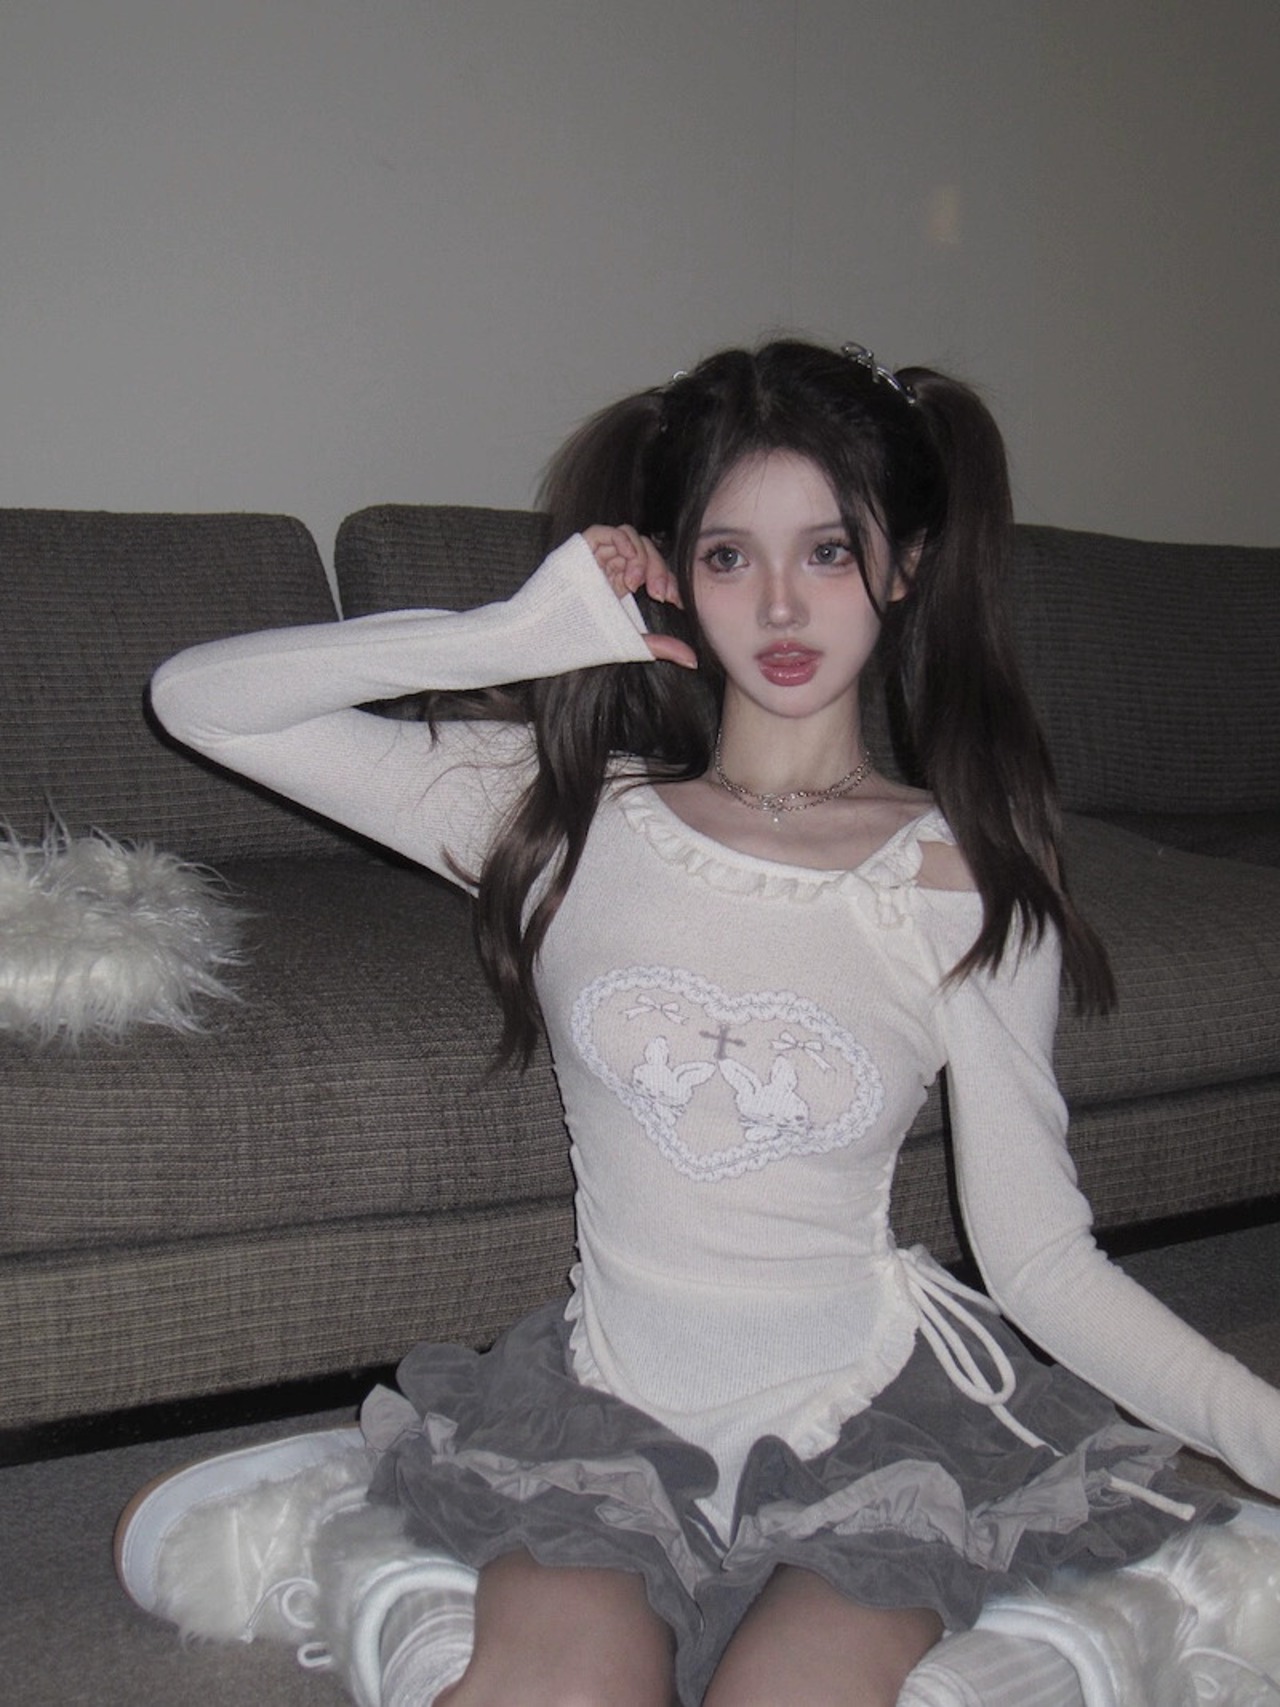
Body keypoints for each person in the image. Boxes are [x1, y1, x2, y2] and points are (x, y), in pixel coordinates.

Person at [116, 339, 1280, 1707]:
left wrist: (1262, 1429)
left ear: (905, 565)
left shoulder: (962, 876)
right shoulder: (558, 814)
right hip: (600, 1416)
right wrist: (515, 637)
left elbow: (1038, 1261)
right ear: (673, 569)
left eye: (830, 553)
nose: (780, 603)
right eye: (730, 556)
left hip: (870, 1429)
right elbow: (200, 700)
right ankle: (406, 1573)